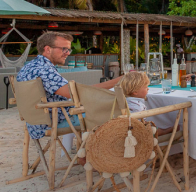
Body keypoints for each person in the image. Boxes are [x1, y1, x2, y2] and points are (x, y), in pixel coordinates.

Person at [16, 32, 123, 161]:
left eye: (68, 49)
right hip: (52, 122)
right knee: (108, 113)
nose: (68, 53)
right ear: (47, 49)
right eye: (64, 49)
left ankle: (85, 155)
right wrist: (116, 82)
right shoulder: (44, 69)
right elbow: (75, 93)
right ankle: (98, 159)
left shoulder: (29, 67)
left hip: (33, 122)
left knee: (87, 108)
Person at [120, 71, 173, 137]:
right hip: (138, 134)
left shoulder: (125, 101)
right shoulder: (137, 106)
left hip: (125, 131)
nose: (148, 89)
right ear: (135, 92)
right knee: (153, 129)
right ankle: (165, 131)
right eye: (145, 87)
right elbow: (137, 124)